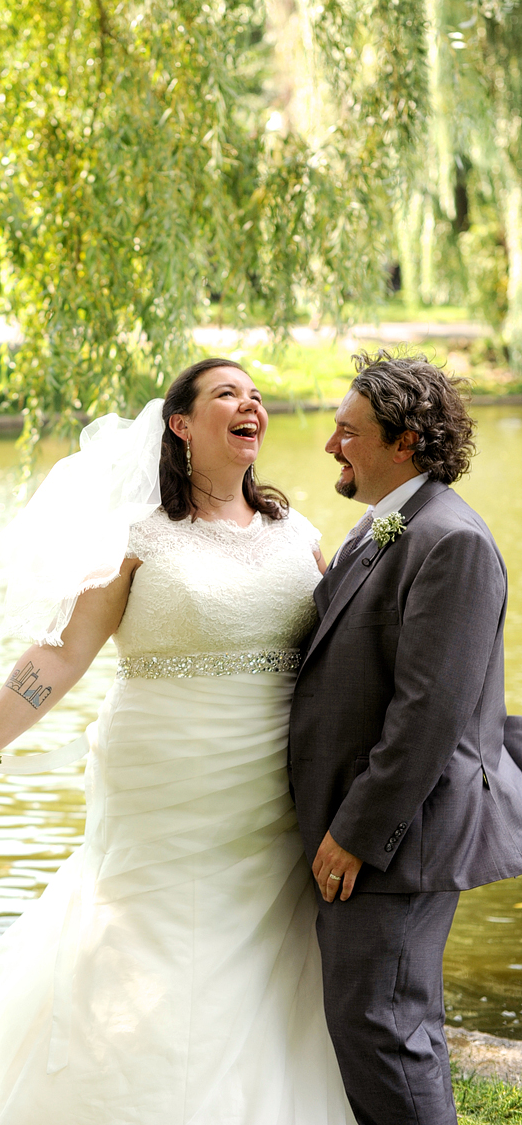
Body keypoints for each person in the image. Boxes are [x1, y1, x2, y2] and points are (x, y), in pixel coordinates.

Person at [0, 357, 356, 1125]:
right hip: (164, 779)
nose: (249, 405)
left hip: (277, 784)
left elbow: (344, 649)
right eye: (226, 395)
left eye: (254, 396)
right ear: (181, 424)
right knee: (150, 941)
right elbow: (62, 653)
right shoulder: (137, 535)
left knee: (264, 959)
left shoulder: (297, 532)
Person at [289, 349, 522, 1125]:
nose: (331, 445)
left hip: (401, 837)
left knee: (384, 1028)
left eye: (348, 431)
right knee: (374, 1021)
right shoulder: (390, 524)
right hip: (375, 827)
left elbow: (429, 715)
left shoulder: (451, 541)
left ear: (406, 441)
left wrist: (355, 833)